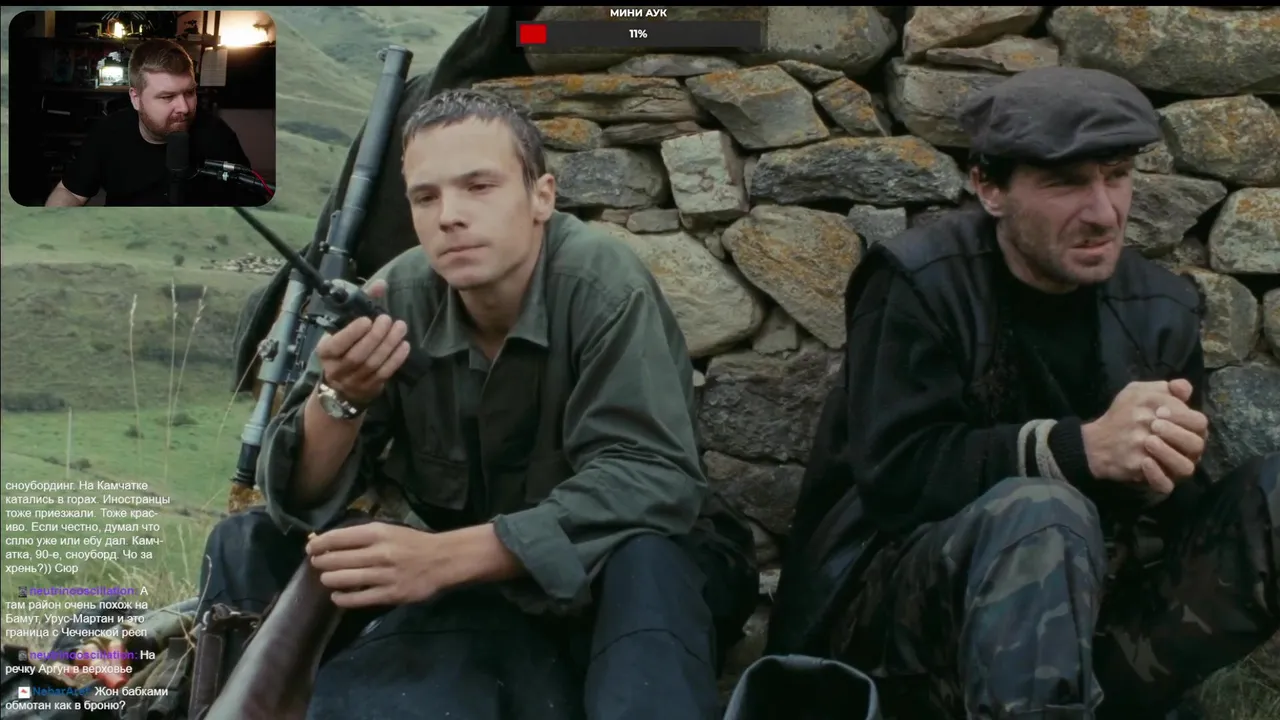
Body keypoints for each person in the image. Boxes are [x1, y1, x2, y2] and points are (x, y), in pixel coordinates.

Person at [195, 88, 756, 720]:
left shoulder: (601, 285)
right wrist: (341, 398)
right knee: (249, 539)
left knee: (645, 561)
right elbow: (297, 500)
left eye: (478, 187)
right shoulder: (397, 295)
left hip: (614, 570)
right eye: (425, 198)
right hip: (472, 575)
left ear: (541, 197)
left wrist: (444, 559)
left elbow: (649, 479)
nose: (449, 217)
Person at [771, 66, 1280, 719]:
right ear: (989, 188)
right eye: (1066, 183)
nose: (1104, 213)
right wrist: (1076, 451)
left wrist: (1158, 479)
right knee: (1043, 513)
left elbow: (1180, 523)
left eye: (1118, 175)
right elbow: (896, 479)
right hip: (911, 635)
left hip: (1093, 626)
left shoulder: (1159, 307)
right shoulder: (919, 284)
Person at [45, 38, 257, 207]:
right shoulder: (108, 133)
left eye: (189, 92)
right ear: (136, 98)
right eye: (167, 97)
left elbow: (251, 205)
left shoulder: (218, 135)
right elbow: (70, 192)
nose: (184, 107)